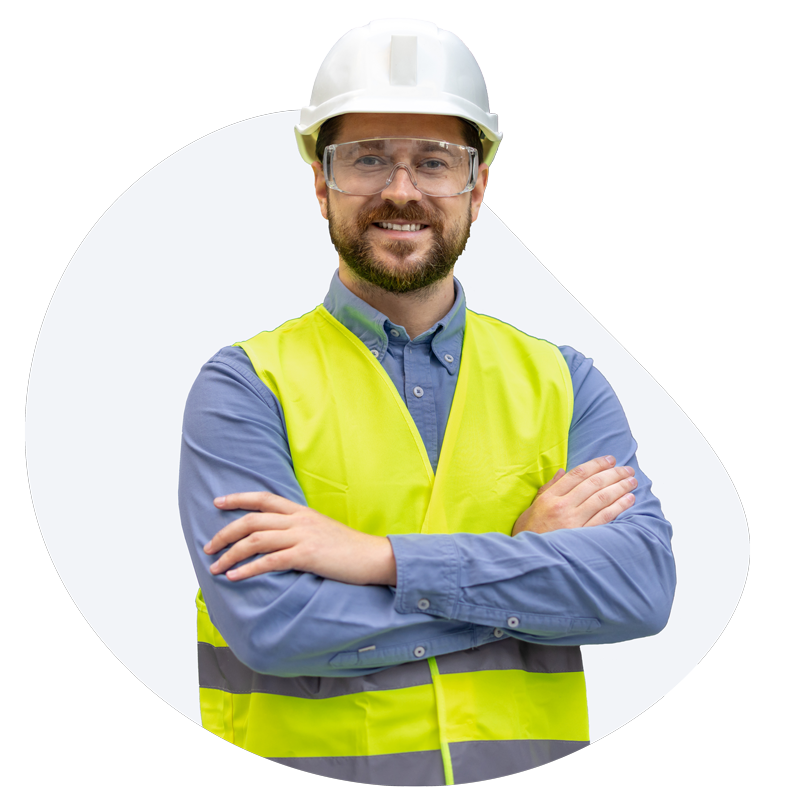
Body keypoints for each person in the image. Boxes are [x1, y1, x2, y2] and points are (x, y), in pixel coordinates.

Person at [178, 18, 676, 786]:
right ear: (321, 183)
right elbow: (274, 626)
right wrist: (525, 557)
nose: (401, 190)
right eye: (367, 159)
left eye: (435, 162)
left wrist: (375, 560)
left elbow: (639, 591)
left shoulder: (564, 382)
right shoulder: (246, 386)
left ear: (478, 186)